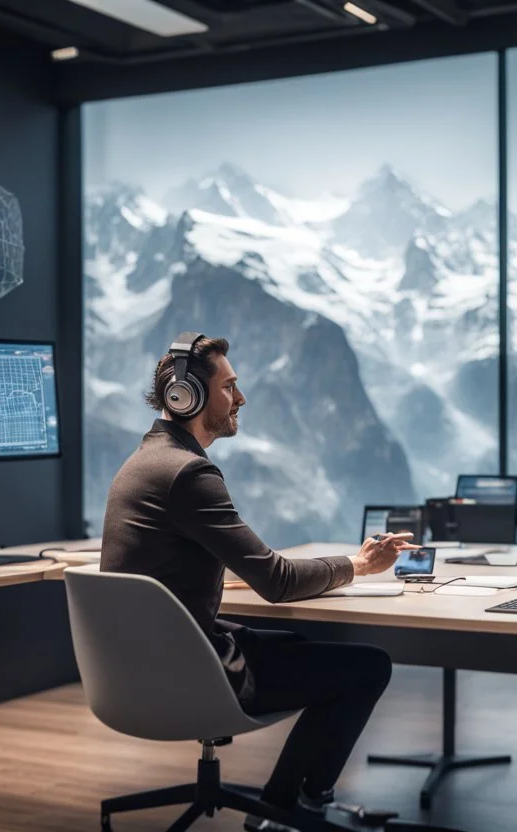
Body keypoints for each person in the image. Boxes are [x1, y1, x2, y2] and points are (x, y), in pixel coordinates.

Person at [101, 331, 418, 832]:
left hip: (142, 667)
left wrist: (241, 573)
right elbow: (278, 581)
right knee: (369, 666)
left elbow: (174, 567)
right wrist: (359, 564)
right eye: (230, 386)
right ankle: (295, 807)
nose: (241, 397)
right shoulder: (187, 474)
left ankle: (284, 805)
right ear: (188, 397)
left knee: (295, 644)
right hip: (191, 671)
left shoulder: (142, 463)